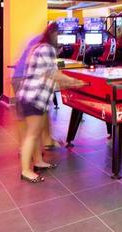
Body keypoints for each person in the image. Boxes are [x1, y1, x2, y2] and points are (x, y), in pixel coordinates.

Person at [15, 23, 84, 183]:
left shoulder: (39, 47)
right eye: (58, 34)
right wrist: (74, 81)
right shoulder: (47, 48)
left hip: (31, 96)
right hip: (34, 97)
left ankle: (38, 161)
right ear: (52, 33)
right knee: (32, 135)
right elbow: (53, 73)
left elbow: (47, 75)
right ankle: (26, 170)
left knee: (36, 133)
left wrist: (70, 82)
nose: (59, 38)